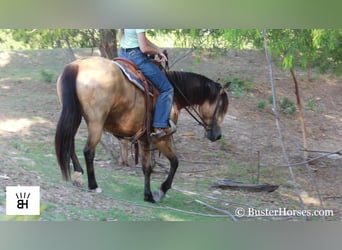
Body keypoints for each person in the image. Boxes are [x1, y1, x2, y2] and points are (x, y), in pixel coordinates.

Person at [118, 29, 176, 138]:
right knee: (167, 88)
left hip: (122, 54)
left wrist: (158, 49)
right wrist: (157, 52)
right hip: (136, 56)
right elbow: (144, 48)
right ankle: (160, 125)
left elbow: (143, 39)